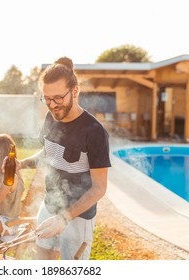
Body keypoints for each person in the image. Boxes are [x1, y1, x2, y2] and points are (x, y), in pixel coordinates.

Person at [17, 57, 111, 260]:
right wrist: (22, 164)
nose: (52, 105)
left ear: (75, 91)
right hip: (49, 204)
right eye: (47, 98)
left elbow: (99, 188)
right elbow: (48, 153)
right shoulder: (51, 117)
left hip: (78, 216)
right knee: (41, 259)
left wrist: (65, 217)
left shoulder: (94, 132)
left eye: (58, 98)